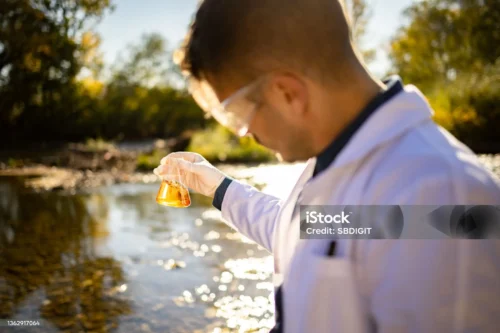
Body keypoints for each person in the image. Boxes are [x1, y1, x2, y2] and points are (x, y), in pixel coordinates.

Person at [154, 0, 500, 331]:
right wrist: (216, 186)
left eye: (237, 115)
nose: (245, 133)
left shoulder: (445, 196)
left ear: (288, 93)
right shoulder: (345, 159)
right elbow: (306, 230)